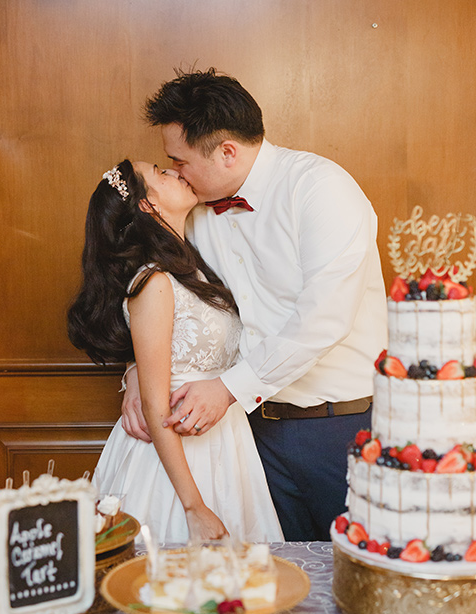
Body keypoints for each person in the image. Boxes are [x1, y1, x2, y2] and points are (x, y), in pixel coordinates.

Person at [122, 68, 388, 541]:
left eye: (178, 161)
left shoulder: (321, 190)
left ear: (227, 152)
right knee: (270, 584)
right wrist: (136, 376)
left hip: (339, 427)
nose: (174, 173)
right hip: (247, 437)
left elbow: (322, 319)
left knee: (356, 576)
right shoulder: (195, 214)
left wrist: (228, 388)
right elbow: (174, 310)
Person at [67, 159, 283, 543]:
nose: (175, 172)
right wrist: (193, 506)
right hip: (173, 454)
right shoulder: (153, 282)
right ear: (147, 206)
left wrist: (131, 366)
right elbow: (155, 406)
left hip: (227, 445)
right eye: (160, 173)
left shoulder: (195, 266)